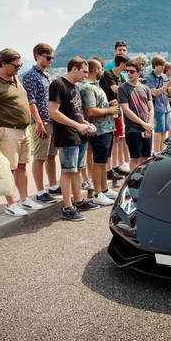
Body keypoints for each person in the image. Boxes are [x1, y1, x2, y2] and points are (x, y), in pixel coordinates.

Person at [0, 49, 40, 216]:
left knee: (22, 166)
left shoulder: (15, 79)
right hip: (5, 130)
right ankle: (10, 203)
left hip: (23, 130)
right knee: (9, 169)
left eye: (20, 65)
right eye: (15, 66)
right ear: (3, 63)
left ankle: (24, 199)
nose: (18, 68)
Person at [49, 57, 98, 221]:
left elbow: (77, 113)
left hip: (80, 134)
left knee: (77, 169)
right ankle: (67, 207)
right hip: (66, 134)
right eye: (84, 72)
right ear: (74, 68)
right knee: (68, 171)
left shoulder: (75, 87)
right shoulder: (58, 84)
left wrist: (86, 124)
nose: (86, 75)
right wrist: (77, 125)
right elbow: (53, 112)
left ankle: (78, 201)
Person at [22, 43, 60, 203]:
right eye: (48, 57)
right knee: (39, 157)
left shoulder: (47, 74)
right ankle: (39, 191)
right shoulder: (30, 76)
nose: (51, 60)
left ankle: (53, 185)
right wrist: (38, 122)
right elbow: (31, 101)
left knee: (51, 155)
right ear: (37, 56)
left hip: (51, 120)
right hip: (41, 121)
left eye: (53, 57)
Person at [80, 58, 119, 206]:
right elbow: (91, 111)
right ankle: (98, 193)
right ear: (96, 69)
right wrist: (110, 110)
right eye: (101, 68)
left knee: (103, 161)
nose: (102, 71)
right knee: (98, 162)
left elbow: (98, 106)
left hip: (106, 128)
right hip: (99, 130)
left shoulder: (95, 86)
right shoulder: (87, 88)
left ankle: (104, 189)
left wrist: (108, 105)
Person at [118, 60, 153, 171]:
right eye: (127, 71)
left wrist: (149, 125)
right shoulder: (122, 88)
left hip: (147, 128)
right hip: (133, 129)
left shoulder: (146, 88)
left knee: (146, 158)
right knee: (135, 158)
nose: (129, 73)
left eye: (132, 71)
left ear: (139, 72)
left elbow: (151, 108)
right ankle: (133, 180)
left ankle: (142, 179)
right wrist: (144, 124)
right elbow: (126, 110)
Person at [100, 54, 129, 180]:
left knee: (117, 138)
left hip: (117, 110)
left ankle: (116, 165)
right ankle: (108, 168)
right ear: (122, 64)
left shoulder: (121, 76)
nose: (128, 69)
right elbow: (115, 89)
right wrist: (128, 87)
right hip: (108, 110)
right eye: (127, 65)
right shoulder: (108, 74)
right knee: (111, 140)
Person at [145, 55, 171, 152]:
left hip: (166, 106)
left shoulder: (164, 76)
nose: (164, 68)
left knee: (165, 130)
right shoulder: (149, 77)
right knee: (158, 130)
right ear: (156, 65)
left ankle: (162, 150)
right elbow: (154, 92)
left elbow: (168, 92)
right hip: (157, 106)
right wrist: (167, 86)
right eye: (162, 65)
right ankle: (156, 151)